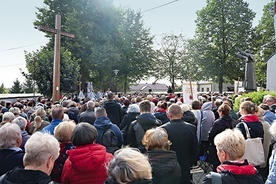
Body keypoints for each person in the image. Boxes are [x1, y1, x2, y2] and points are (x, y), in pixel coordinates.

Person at [161, 104, 199, 184]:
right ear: (181, 114)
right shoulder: (191, 128)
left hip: (169, 164)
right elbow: (195, 149)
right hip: (185, 163)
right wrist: (190, 161)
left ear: (168, 115)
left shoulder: (162, 129)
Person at [207, 103, 233, 171]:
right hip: (230, 145)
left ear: (221, 112)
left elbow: (211, 134)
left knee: (217, 165)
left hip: (218, 146)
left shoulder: (218, 123)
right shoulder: (233, 121)